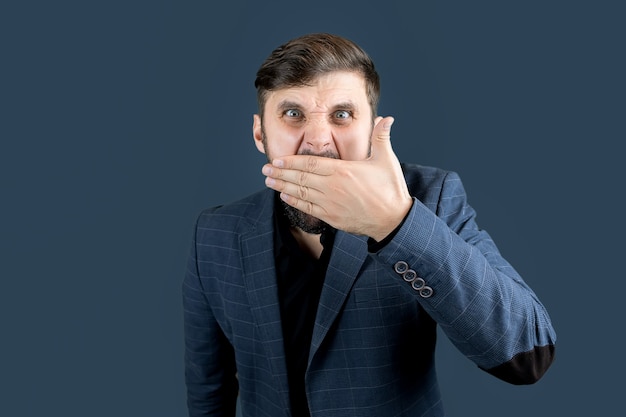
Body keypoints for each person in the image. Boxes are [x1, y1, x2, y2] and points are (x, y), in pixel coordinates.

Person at [183, 33, 556, 417]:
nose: (317, 141)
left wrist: (395, 222)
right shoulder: (214, 234)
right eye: (293, 114)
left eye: (341, 115)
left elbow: (528, 354)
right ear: (260, 133)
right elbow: (209, 389)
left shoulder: (431, 198)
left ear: (373, 131)